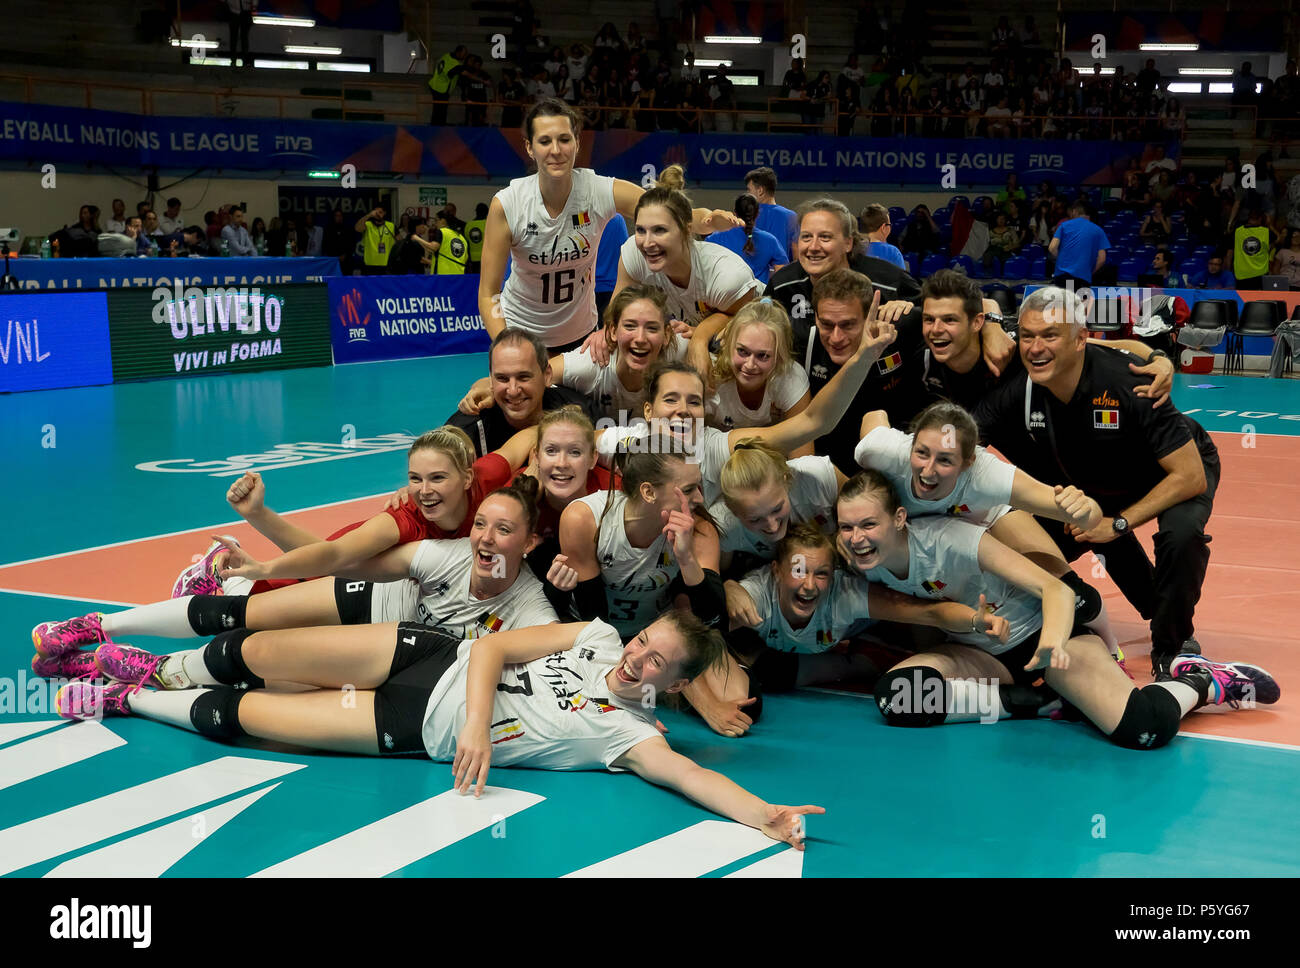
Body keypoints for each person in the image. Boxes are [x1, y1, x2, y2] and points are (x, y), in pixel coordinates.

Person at [53, 608, 821, 850]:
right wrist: (482, 728)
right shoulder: (591, 633)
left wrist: (768, 815)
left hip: (408, 722)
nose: (636, 658)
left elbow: (696, 777)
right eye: (642, 641)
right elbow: (490, 645)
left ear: (677, 686)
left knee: (247, 715)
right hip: (428, 655)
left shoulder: (631, 737)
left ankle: (125, 697)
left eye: (657, 662)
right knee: (255, 652)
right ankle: (145, 661)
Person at [838, 471, 1277, 747]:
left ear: (898, 519)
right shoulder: (861, 563)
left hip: (1048, 637)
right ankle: (1036, 702)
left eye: (868, 525)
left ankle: (1202, 681)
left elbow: (1058, 591)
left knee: (1143, 730)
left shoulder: (953, 540)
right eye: (846, 527)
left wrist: (1050, 650)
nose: (856, 538)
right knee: (899, 696)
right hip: (979, 652)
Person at [34, 480, 558, 675]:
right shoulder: (440, 553)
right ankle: (98, 625)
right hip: (370, 605)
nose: (485, 539)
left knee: (251, 662)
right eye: (482, 525)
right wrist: (263, 550)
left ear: (531, 543)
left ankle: (133, 670)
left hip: (385, 655)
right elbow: (338, 562)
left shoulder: (533, 610)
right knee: (241, 614)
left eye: (504, 530)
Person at [972, 286, 1221, 679]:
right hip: (1102, 477)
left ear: (1080, 339)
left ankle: (1172, 648)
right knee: (1039, 536)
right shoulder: (1019, 388)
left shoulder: (1130, 382)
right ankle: (1149, 609)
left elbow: (1188, 477)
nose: (1036, 347)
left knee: (1181, 536)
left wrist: (1118, 523)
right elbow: (965, 440)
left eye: (1050, 336)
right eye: (1028, 336)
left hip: (1173, 469)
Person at [161, 426, 536, 601]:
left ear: (467, 477)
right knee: (255, 608)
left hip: (370, 580)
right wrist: (258, 516)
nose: (424, 490)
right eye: (415, 479)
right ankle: (220, 573)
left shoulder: (487, 478)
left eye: (438, 477)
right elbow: (333, 556)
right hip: (340, 571)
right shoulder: (402, 519)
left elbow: (529, 436)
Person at [479, 99, 737, 352]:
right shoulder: (508, 204)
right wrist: (505, 346)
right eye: (545, 141)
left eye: (565, 139)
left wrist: (708, 219)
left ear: (577, 143)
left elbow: (667, 211)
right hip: (521, 335)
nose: (556, 150)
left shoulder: (596, 191)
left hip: (581, 338)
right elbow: (489, 292)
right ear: (529, 147)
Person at [917, 269, 1174, 413]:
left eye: (949, 320)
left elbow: (1113, 348)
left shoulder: (1021, 347)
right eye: (930, 320)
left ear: (976, 323)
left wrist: (1159, 359)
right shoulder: (920, 346)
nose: (937, 329)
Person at [459, 290, 681, 426]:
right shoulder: (590, 364)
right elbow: (532, 375)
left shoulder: (682, 354)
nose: (640, 338)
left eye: (652, 328)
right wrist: (483, 387)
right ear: (612, 331)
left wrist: (701, 336)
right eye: (630, 326)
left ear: (666, 334)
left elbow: (716, 361)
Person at [764, 198, 922, 360]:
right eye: (806, 237)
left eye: (825, 237)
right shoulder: (783, 284)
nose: (813, 247)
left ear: (848, 243)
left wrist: (908, 306)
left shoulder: (889, 281)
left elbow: (931, 315)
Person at [616, 166, 762, 341]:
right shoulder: (634, 253)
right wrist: (604, 334)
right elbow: (617, 316)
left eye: (660, 230)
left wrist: (701, 334)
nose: (647, 243)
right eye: (640, 230)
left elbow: (748, 329)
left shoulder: (726, 276)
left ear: (686, 231)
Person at [446, 329, 593, 459]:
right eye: (502, 378)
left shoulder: (579, 410)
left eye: (523, 377)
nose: (513, 390)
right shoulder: (464, 431)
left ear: (547, 375)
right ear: (491, 380)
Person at [706, 299, 810, 434]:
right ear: (728, 345)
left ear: (779, 357)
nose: (750, 365)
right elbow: (682, 444)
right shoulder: (708, 373)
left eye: (763, 356)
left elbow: (803, 452)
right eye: (742, 351)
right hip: (712, 451)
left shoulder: (791, 377)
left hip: (770, 454)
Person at [704, 193, 786, 284]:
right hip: (759, 296)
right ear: (757, 213)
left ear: (735, 213)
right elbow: (782, 276)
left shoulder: (713, 239)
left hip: (723, 296)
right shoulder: (771, 241)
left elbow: (704, 272)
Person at [1047, 199, 1109, 289]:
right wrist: (1089, 272)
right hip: (1084, 278)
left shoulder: (1064, 225)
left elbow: (1052, 248)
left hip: (1064, 276)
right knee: (1082, 303)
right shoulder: (1098, 230)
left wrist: (1062, 260)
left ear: (1075, 211)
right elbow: (1102, 259)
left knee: (1067, 303)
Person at [744, 166, 798, 256]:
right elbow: (797, 255)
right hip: (782, 269)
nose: (747, 194)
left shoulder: (745, 216)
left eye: (749, 190)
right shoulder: (792, 217)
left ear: (760, 191)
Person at [1230, 209, 1277, 290]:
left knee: (1244, 302)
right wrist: (1269, 224)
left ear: (1248, 218)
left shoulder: (1237, 231)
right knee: (1259, 301)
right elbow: (1279, 239)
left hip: (1242, 275)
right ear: (1261, 219)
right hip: (1260, 274)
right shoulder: (1265, 231)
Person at [429, 45, 469, 125]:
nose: (465, 56)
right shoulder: (453, 63)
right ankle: (438, 127)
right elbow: (464, 73)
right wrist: (482, 80)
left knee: (439, 110)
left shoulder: (447, 55)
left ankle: (437, 126)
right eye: (464, 54)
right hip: (440, 88)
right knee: (440, 111)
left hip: (436, 85)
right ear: (458, 52)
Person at [859, 203, 906, 269]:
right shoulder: (893, 252)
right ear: (883, 227)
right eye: (889, 225)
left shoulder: (854, 249)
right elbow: (902, 278)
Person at [354, 204, 395, 275]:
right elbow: (357, 228)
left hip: (386, 264)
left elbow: (399, 242)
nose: (378, 214)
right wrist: (368, 215)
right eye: (376, 212)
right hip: (369, 265)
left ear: (385, 213)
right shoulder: (367, 225)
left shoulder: (391, 226)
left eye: (380, 212)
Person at [225, 0, 254, 66]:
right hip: (241, 12)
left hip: (236, 12)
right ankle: (243, 59)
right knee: (242, 37)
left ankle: (235, 59)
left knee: (235, 37)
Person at [464, 202, 488, 273]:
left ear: (476, 212)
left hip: (471, 259)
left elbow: (466, 243)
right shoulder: (488, 223)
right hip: (486, 258)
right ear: (487, 212)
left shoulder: (468, 225)